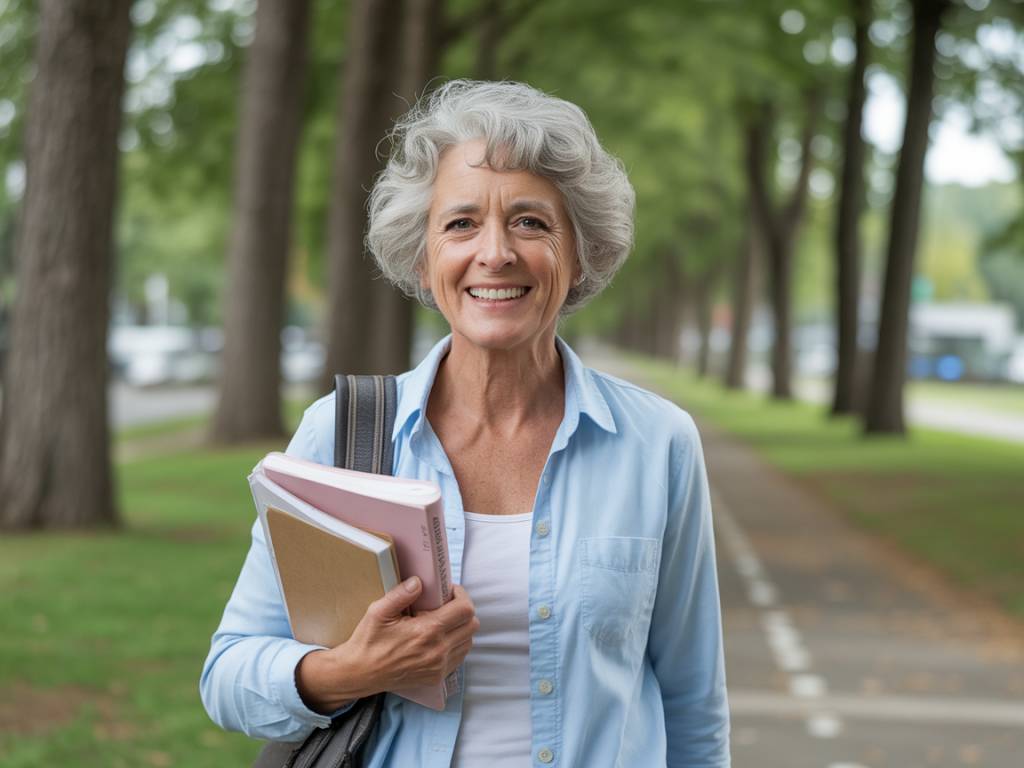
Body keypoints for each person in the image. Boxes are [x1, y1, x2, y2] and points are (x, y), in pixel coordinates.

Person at [201, 79, 730, 767]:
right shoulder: (341, 436)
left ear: (581, 253)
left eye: (531, 222)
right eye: (461, 223)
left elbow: (695, 705)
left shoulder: (657, 443)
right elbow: (229, 675)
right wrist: (349, 671)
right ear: (424, 257)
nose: (496, 252)